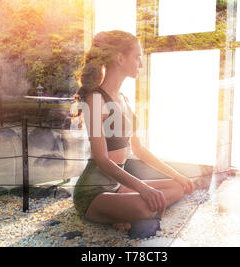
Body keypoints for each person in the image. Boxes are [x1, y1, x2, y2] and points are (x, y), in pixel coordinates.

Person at [73, 30, 195, 231]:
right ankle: (115, 211)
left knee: (176, 188)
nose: (141, 64)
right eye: (137, 57)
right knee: (146, 207)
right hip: (94, 192)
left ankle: (120, 210)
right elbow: (102, 159)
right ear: (120, 58)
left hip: (117, 186)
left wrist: (178, 175)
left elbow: (139, 149)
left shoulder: (124, 100)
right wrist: (143, 189)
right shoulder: (96, 99)